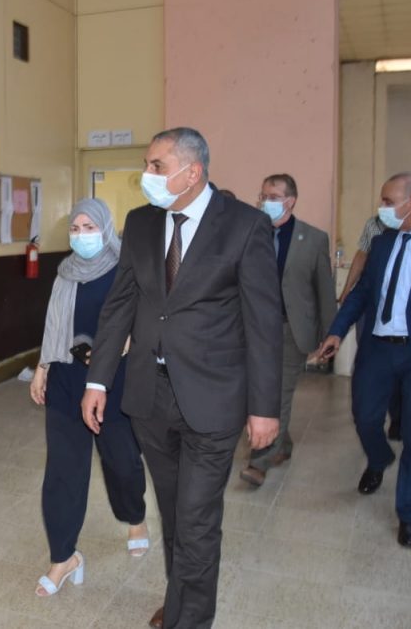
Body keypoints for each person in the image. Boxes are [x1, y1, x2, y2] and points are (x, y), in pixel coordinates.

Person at [81, 127, 281, 629]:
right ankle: (181, 598)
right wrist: (98, 381)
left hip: (213, 399)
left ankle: (189, 619)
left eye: (156, 166)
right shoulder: (141, 223)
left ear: (193, 173)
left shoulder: (245, 226)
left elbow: (263, 323)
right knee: (174, 513)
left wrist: (264, 408)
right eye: (146, 165)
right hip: (149, 397)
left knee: (196, 519)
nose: (146, 175)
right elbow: (120, 305)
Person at [315, 173, 411, 548]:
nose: (382, 208)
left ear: (410, 204)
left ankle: (410, 515)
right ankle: (380, 458)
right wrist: (337, 331)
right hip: (379, 349)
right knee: (365, 416)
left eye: (387, 201)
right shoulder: (382, 243)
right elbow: (362, 292)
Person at [29, 198, 148, 597]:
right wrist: (43, 367)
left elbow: (141, 323)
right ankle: (64, 557)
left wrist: (117, 350)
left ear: (106, 228)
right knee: (62, 471)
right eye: (75, 229)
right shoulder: (65, 273)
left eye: (90, 227)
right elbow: (54, 324)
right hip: (66, 377)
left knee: (122, 463)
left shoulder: (125, 270)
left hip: (113, 380)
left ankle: (135, 516)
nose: (82, 236)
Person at [240, 174, 336, 486]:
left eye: (273, 196)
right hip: (253, 329)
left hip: (290, 330)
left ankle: (260, 461)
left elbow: (324, 290)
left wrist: (330, 333)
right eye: (262, 195)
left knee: (277, 394)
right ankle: (282, 443)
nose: (264, 201)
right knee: (253, 391)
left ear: (290, 201)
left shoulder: (314, 239)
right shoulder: (250, 233)